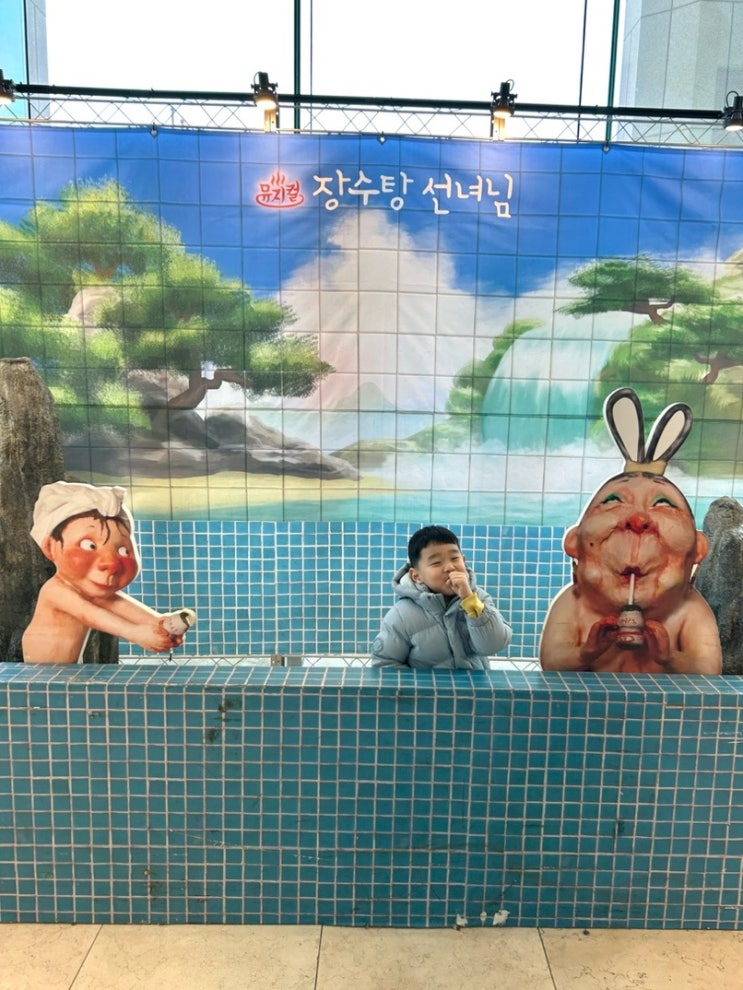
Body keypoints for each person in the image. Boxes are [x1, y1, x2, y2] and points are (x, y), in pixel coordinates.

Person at [539, 388, 722, 674]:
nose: (637, 519)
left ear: (697, 548)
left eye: (662, 504)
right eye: (615, 501)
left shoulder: (689, 610)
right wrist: (586, 653)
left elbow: (709, 668)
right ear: (574, 541)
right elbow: (552, 660)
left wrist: (670, 658)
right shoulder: (574, 603)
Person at [22, 481, 195, 664]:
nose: (111, 563)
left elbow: (116, 604)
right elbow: (90, 615)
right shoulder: (56, 591)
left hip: (66, 667)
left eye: (123, 551)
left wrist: (158, 622)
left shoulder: (88, 591)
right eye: (89, 546)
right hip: (39, 668)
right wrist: (135, 633)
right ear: (50, 547)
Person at [371, 525, 511, 669]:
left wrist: (469, 600)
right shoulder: (401, 615)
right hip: (426, 684)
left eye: (455, 558)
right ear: (416, 576)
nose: (450, 567)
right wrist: (417, 684)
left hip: (474, 684)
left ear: (463, 561)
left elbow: (494, 645)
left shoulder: (478, 599)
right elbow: (385, 664)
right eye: (436, 563)